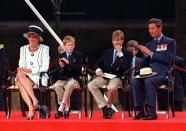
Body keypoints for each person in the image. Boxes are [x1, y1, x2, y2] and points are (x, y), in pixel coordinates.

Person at [130, 18, 176, 120]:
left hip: (163, 74)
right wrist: (145, 55)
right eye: (149, 28)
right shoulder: (149, 44)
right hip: (150, 74)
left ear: (160, 28)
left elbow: (168, 60)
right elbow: (145, 63)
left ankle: (151, 112)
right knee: (134, 81)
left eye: (153, 28)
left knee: (149, 81)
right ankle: (141, 111)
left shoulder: (170, 42)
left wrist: (151, 54)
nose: (150, 31)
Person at [88, 30, 132, 118]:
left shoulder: (127, 53)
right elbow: (97, 63)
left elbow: (125, 67)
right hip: (106, 76)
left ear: (122, 41)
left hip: (118, 77)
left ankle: (108, 106)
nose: (116, 42)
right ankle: (105, 108)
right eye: (115, 40)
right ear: (112, 41)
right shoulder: (107, 52)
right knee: (91, 85)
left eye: (118, 40)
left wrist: (120, 54)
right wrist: (98, 70)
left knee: (111, 87)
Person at [16, 25, 50, 120]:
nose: (31, 39)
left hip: (39, 76)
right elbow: (21, 64)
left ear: (38, 39)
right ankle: (34, 102)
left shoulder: (45, 48)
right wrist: (22, 69)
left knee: (20, 83)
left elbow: (45, 67)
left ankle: (32, 108)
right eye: (29, 36)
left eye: (34, 36)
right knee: (20, 74)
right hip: (25, 76)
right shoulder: (22, 49)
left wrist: (30, 70)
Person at [51, 35, 83, 119]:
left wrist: (68, 63)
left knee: (70, 84)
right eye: (68, 45)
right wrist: (62, 67)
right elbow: (58, 71)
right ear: (64, 46)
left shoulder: (78, 55)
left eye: (72, 45)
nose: (70, 47)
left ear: (74, 46)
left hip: (74, 78)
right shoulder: (61, 55)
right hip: (64, 78)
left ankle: (61, 108)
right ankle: (66, 107)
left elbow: (78, 70)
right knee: (57, 85)